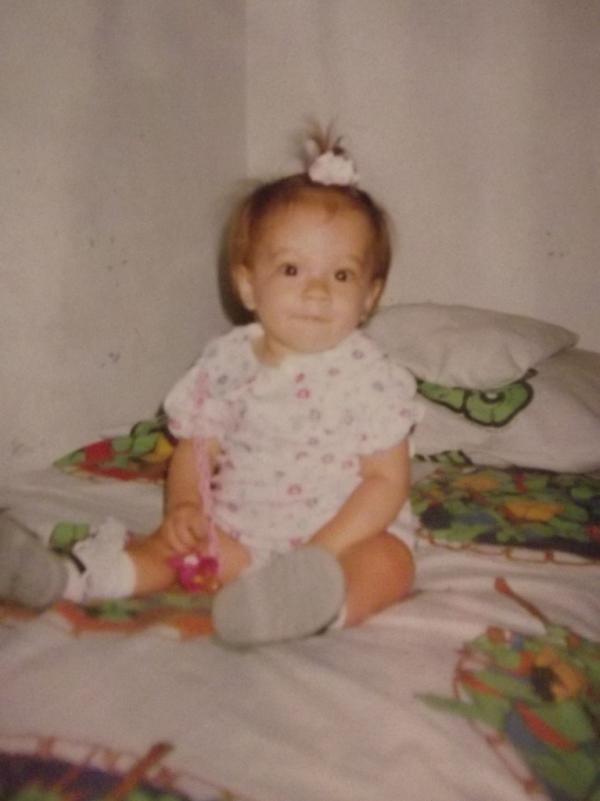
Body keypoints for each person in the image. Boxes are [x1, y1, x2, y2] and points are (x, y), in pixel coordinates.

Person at [0, 130, 422, 646]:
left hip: (343, 538)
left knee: (390, 562)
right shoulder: (226, 362)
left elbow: (385, 482)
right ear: (248, 284)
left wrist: (321, 551)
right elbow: (199, 448)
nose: (316, 290)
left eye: (341, 275)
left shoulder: (371, 377)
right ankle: (70, 578)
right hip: (242, 534)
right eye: (292, 269)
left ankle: (314, 606)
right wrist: (186, 508)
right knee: (171, 546)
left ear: (370, 296)